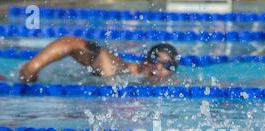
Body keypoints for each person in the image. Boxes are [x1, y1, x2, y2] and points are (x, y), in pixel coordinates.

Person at [19, 36, 179, 84]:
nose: (158, 66)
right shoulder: (120, 68)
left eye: (167, 65)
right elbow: (71, 43)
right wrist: (34, 66)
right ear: (145, 59)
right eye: (154, 58)